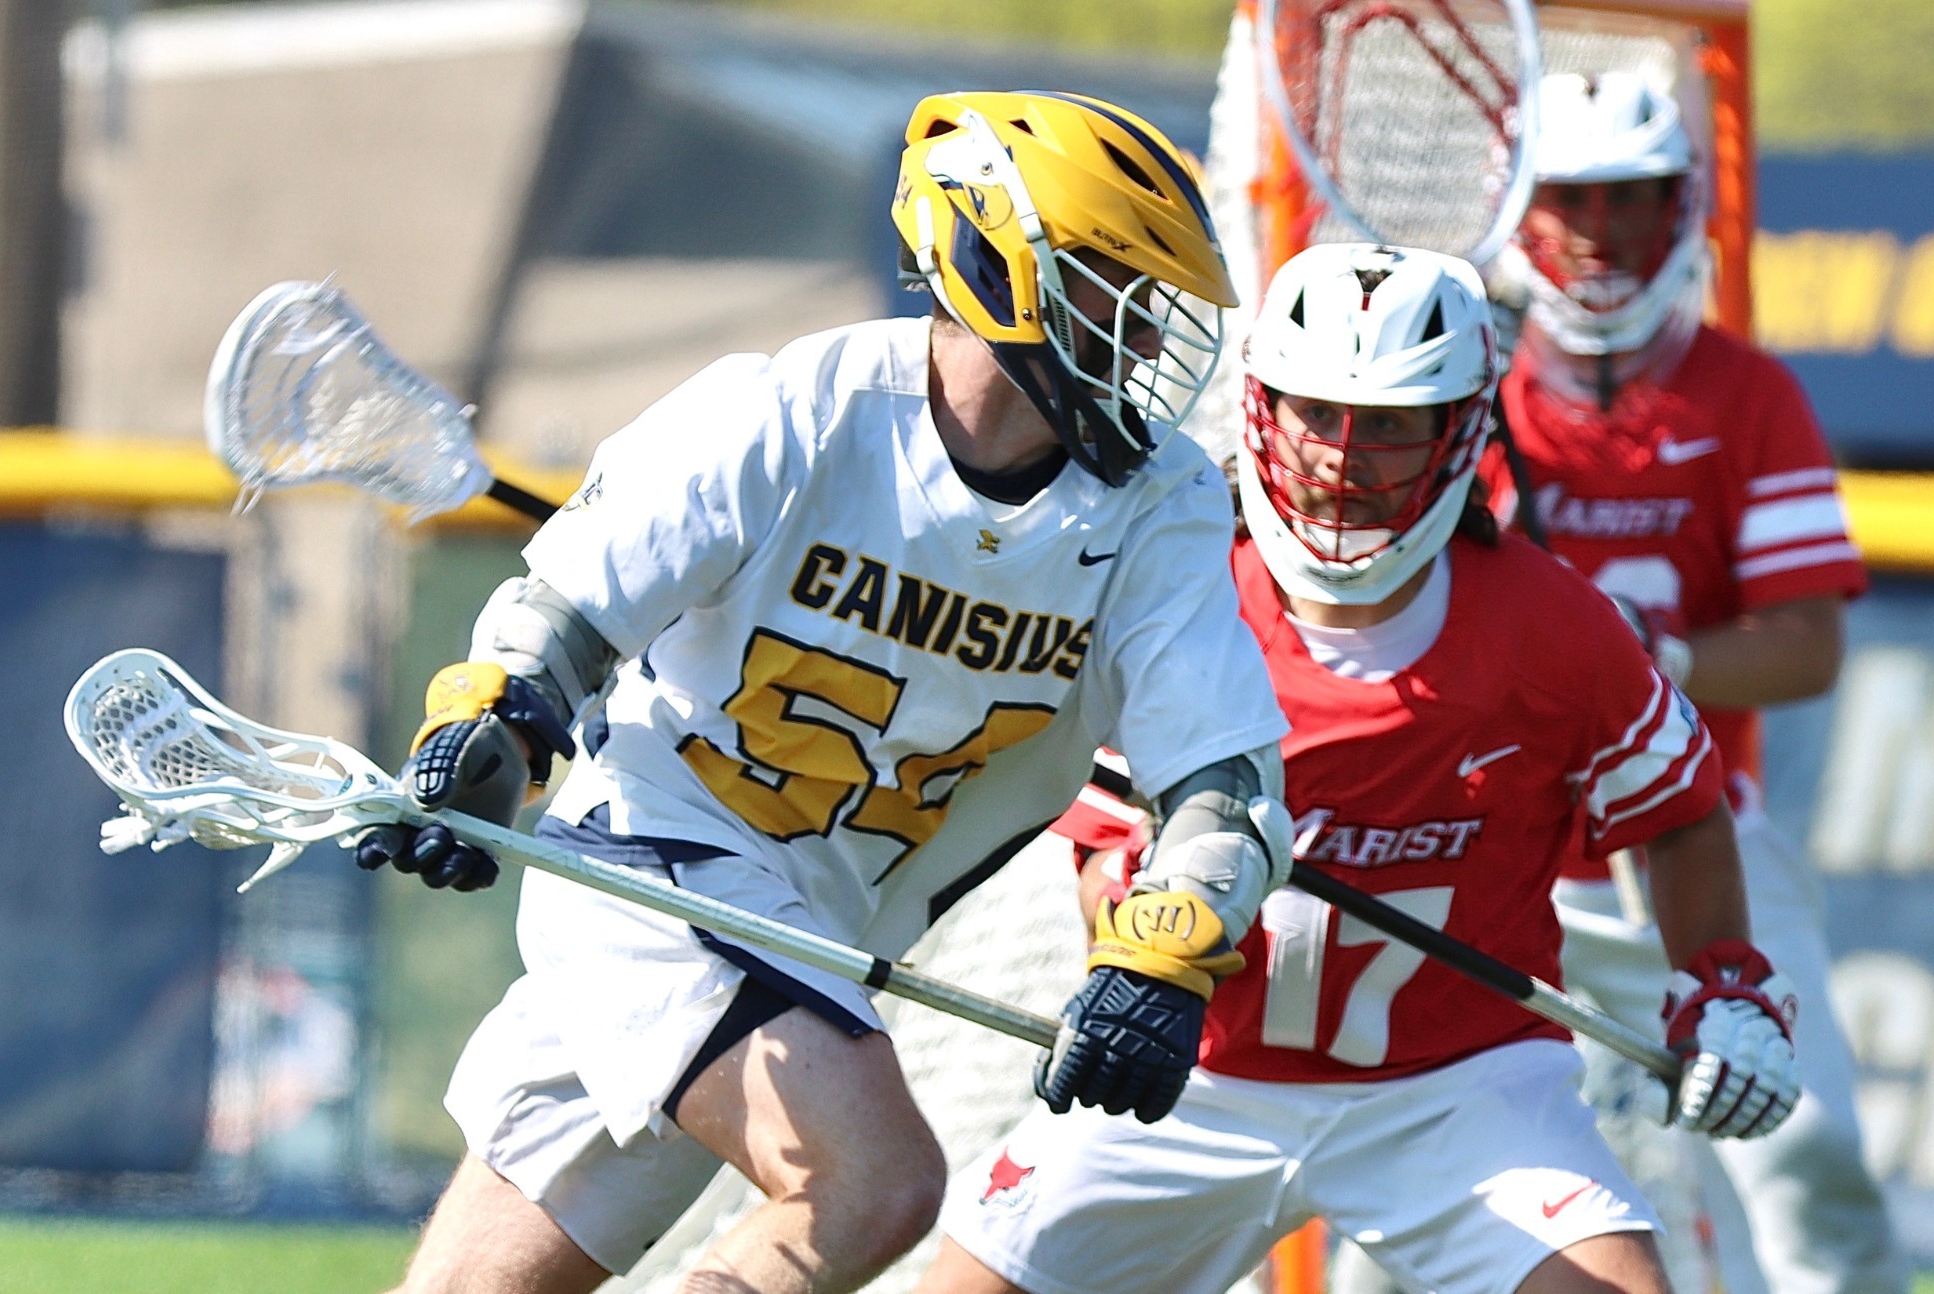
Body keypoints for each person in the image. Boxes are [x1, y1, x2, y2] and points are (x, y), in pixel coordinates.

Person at [353, 90, 1298, 1294]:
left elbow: (1221, 788)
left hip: (813, 930)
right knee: (872, 1182)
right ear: (993, 262)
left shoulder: (1158, 503)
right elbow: (559, 628)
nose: (1148, 341)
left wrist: (1164, 947)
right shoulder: (793, 411)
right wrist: (493, 732)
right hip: (651, 867)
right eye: (1111, 288)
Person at [919, 243, 1801, 1294]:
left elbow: (1681, 813)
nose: (1344, 456)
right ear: (1262, 409)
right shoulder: (1175, 591)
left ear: (1460, 427)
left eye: (1388, 423)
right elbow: (1102, 851)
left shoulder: (1557, 628)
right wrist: (1137, 962)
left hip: (1461, 1089)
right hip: (1195, 1078)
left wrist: (1723, 984)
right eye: (1318, 413)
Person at [1480, 71, 1900, 1294]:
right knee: (1421, 1191)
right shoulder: (1460, 394)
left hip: (1703, 844)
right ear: (1517, 206)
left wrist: (1639, 659)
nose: (1598, 230)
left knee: (1812, 1172)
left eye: (1628, 197)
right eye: (1568, 198)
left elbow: (1805, 646)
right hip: (1497, 859)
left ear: (1680, 207)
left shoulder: (1744, 391)